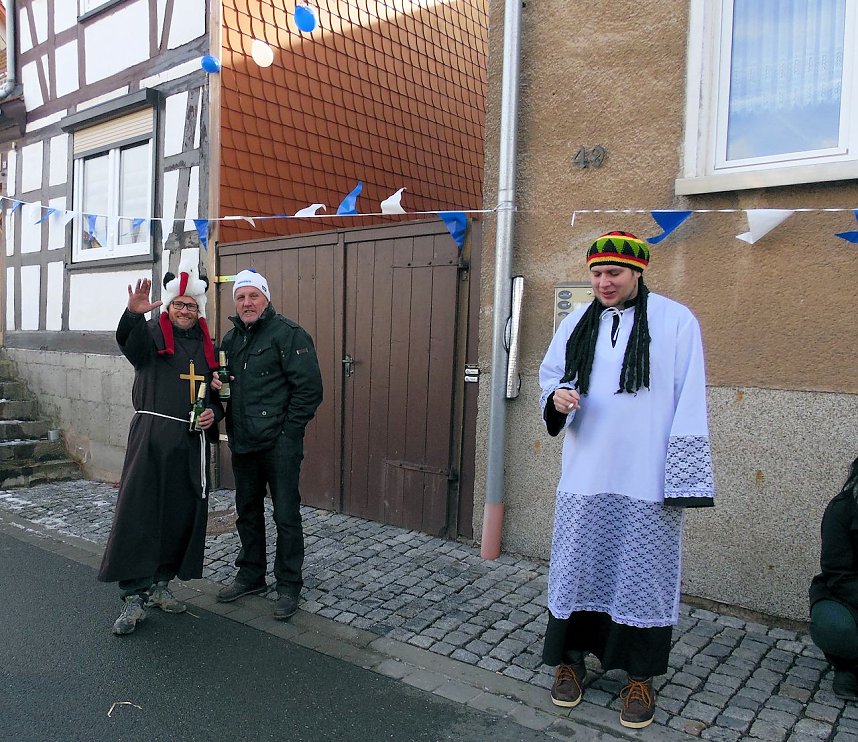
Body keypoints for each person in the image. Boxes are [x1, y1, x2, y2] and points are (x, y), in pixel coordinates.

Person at [538, 231, 715, 729]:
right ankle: (568, 662)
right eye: (596, 274)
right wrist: (557, 398)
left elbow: (690, 396)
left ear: (637, 273)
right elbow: (550, 375)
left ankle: (640, 675)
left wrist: (682, 474)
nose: (603, 283)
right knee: (578, 565)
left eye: (613, 273)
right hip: (586, 472)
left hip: (646, 475)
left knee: (645, 573)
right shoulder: (576, 322)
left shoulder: (676, 322)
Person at [98, 258, 222, 636]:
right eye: (179, 304)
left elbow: (216, 397)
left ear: (198, 310)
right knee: (141, 514)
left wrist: (213, 414)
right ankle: (133, 597)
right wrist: (133, 316)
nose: (185, 311)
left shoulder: (207, 348)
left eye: (192, 306)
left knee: (179, 515)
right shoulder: (151, 336)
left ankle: (160, 584)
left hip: (189, 444)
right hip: (151, 440)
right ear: (168, 306)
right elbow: (128, 344)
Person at [213, 268, 323, 621]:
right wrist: (217, 383)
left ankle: (289, 584)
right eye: (241, 297)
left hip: (279, 446)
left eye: (253, 296)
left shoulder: (289, 335)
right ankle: (251, 575)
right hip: (243, 442)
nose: (247, 303)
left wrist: (288, 433)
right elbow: (224, 384)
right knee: (247, 511)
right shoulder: (230, 340)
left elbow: (309, 391)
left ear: (266, 298)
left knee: (286, 515)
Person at [809, 455, 858, 701]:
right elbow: (837, 573)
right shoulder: (843, 508)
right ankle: (848, 668)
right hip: (848, 597)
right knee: (836, 625)